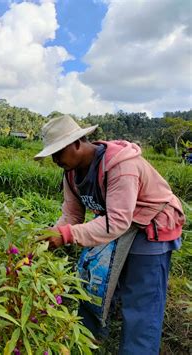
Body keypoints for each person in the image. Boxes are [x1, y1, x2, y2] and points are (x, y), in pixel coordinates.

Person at [34, 115, 185, 354]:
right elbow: (72, 216)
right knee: (93, 283)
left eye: (58, 152)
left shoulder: (120, 166)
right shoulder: (71, 173)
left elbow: (116, 221)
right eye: (52, 154)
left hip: (152, 225)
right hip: (120, 223)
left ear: (77, 143)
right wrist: (52, 234)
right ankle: (87, 342)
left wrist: (66, 235)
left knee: (140, 303)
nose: (55, 160)